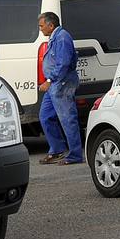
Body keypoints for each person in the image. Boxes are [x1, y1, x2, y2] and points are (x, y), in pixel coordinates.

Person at [37, 11, 83, 165]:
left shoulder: (62, 37)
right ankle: (56, 150)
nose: (40, 29)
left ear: (51, 25)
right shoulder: (55, 36)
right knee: (45, 117)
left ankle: (75, 154)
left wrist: (49, 80)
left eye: (42, 26)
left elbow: (63, 63)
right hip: (55, 84)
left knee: (67, 119)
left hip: (61, 83)